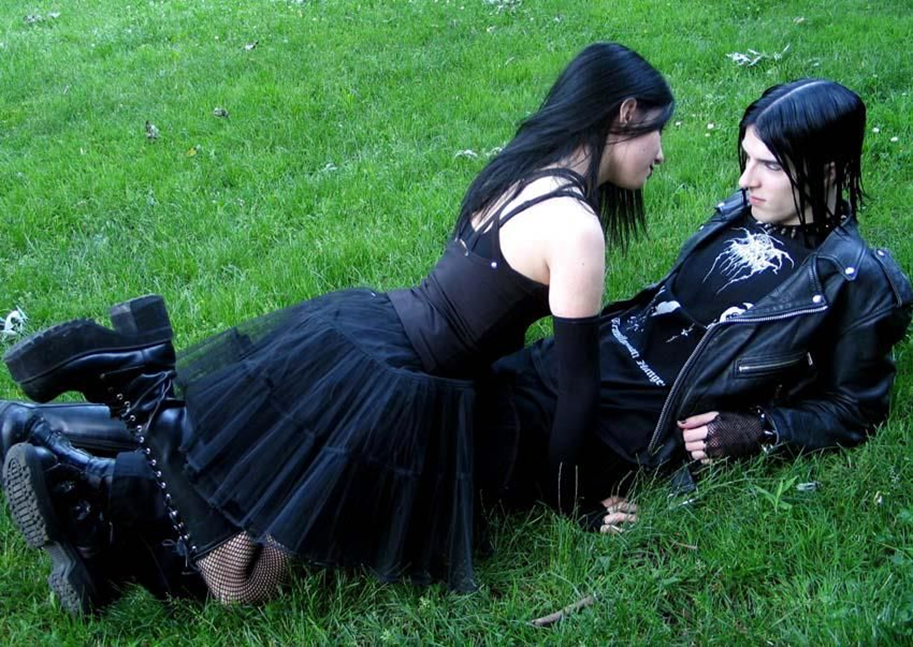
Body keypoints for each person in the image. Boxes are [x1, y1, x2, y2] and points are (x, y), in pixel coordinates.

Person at [5, 77, 911, 614]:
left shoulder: (858, 282)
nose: (742, 178)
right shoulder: (738, 217)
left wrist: (758, 430)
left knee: (353, 473)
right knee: (342, 447)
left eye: (764, 165)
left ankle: (89, 477)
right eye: (743, 156)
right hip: (553, 377)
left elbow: (856, 407)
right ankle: (92, 478)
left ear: (827, 168)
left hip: (612, 426)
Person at [0, 42, 674, 610]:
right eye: (657, 131)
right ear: (623, 113)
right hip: (389, 390)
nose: (661, 153)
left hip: (367, 329)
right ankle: (148, 394)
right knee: (239, 581)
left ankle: (67, 471)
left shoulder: (524, 168)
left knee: (232, 466)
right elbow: (578, 388)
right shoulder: (575, 228)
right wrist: (575, 502)